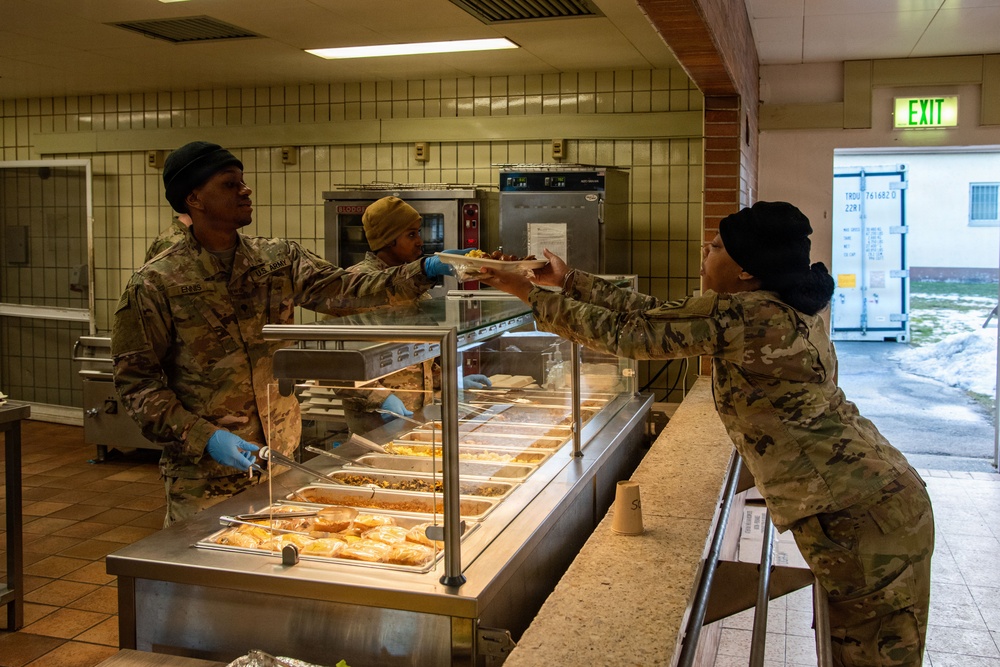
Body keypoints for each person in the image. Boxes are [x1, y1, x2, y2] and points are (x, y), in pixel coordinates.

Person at [478, 201, 934, 667]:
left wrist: (529, 294)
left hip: (862, 513)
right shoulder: (773, 303)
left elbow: (629, 335)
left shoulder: (750, 317)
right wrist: (568, 280)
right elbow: (654, 313)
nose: (704, 250)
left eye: (716, 246)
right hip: (871, 499)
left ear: (745, 271)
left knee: (873, 655)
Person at [111, 141, 463, 526]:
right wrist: (203, 436)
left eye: (243, 182)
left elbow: (345, 291)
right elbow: (137, 385)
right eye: (230, 184)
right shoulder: (156, 283)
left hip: (280, 458)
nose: (245, 190)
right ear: (194, 198)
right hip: (203, 479)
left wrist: (423, 270)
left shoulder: (276, 260)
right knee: (207, 579)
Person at [336, 195, 491, 434]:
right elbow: (338, 365)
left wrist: (450, 384)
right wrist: (380, 398)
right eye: (411, 235)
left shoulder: (415, 287)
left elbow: (421, 357)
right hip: (377, 426)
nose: (421, 242)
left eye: (419, 232)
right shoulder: (355, 286)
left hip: (418, 422)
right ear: (388, 241)